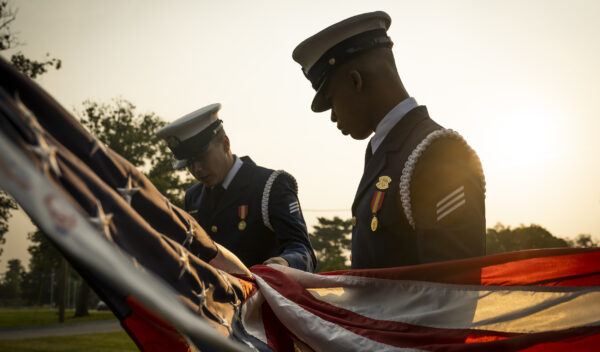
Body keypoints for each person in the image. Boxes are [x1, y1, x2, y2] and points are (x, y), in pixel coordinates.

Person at [292, 11, 486, 269]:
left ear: (355, 81)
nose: (333, 117)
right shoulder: (386, 151)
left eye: (331, 100)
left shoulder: (439, 152)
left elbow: (453, 290)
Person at [155, 103, 316, 272]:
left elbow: (302, 250)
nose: (197, 169)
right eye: (189, 163)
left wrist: (284, 263)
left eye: (202, 157)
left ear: (225, 143)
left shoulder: (270, 185)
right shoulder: (193, 197)